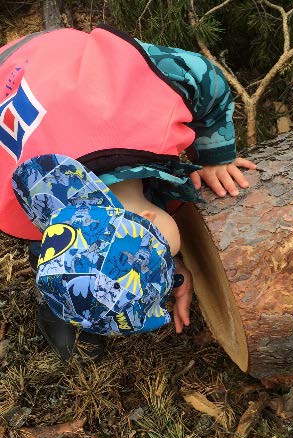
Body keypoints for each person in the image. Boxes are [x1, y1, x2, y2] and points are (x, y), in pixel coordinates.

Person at [0, 25, 256, 361]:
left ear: (149, 218)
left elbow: (204, 76)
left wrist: (213, 156)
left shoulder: (140, 100)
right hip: (23, 100)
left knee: (54, 234)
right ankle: (59, 300)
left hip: (42, 59)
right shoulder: (34, 192)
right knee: (51, 238)